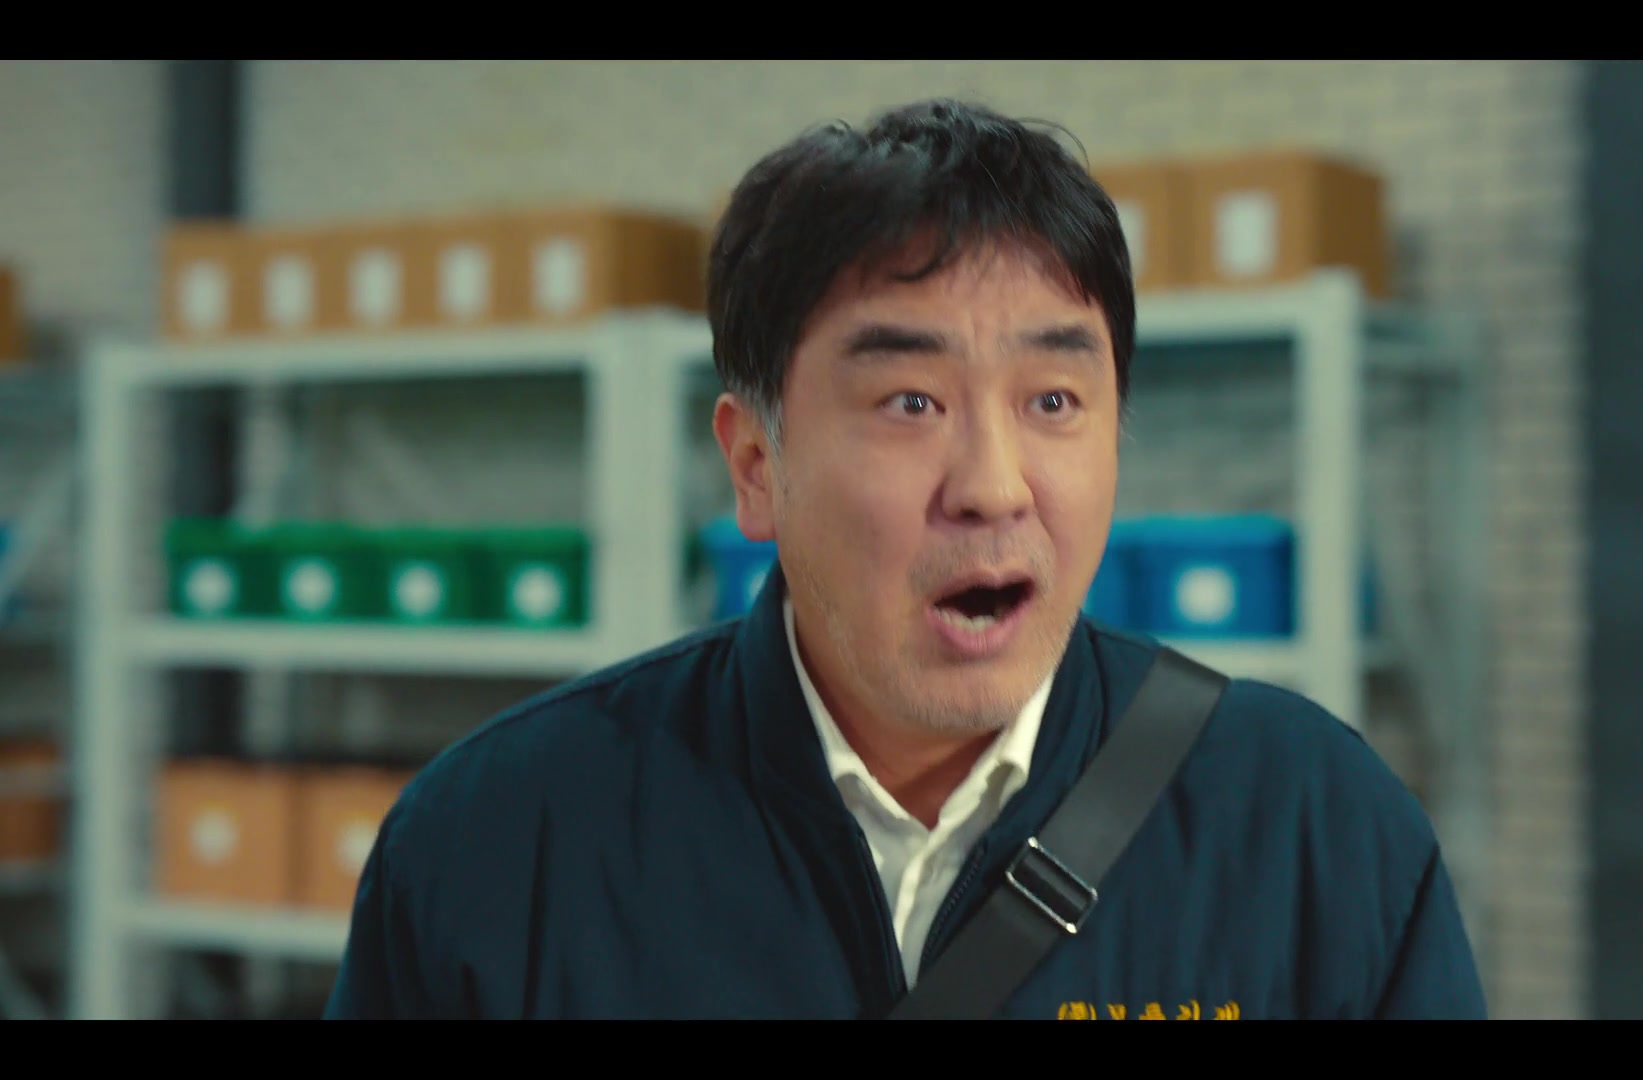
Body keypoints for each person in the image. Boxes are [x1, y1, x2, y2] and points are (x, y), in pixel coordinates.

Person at [322, 97, 1487, 1021]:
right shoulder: (494, 851)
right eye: (911, 401)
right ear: (755, 465)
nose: (993, 485)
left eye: (1053, 399)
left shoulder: (1316, 832)